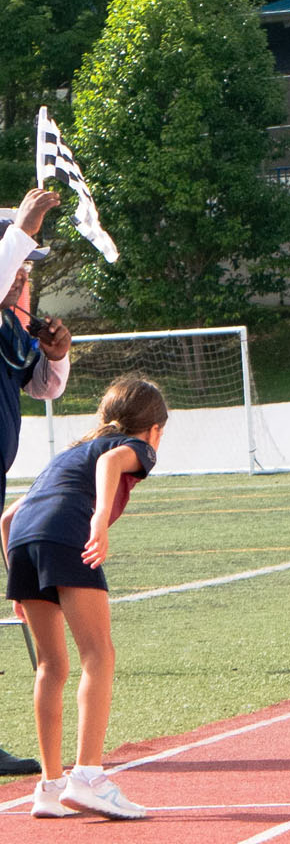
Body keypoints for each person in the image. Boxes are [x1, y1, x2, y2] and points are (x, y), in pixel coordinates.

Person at [2, 376, 166, 820]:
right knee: (100, 654)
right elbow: (113, 463)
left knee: (51, 665)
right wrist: (97, 522)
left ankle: (50, 787)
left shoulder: (71, 452)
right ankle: (89, 776)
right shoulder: (135, 445)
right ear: (153, 429)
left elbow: (7, 517)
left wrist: (14, 580)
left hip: (23, 544)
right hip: (65, 535)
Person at [0, 188, 70, 780]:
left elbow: (42, 388)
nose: (26, 279)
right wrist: (21, 227)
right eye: (19, 268)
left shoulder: (8, 326)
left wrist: (57, 357)